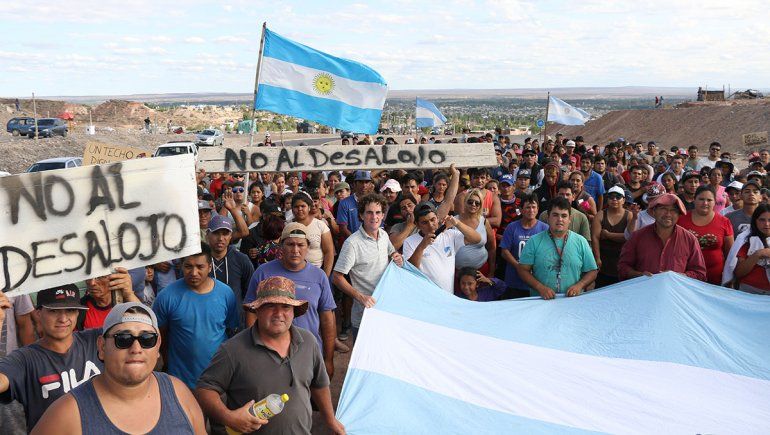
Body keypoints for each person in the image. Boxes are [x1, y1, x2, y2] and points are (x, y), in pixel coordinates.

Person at [195, 277, 345, 435]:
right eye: (270, 306)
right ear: (257, 310)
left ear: (294, 311)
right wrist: (229, 417)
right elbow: (204, 390)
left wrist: (330, 420)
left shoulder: (308, 342)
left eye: (286, 306)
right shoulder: (232, 350)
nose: (278, 313)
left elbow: (319, 385)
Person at [31, 303, 206, 434]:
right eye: (123, 338)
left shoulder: (178, 392)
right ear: (101, 346)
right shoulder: (68, 413)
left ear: (158, 346)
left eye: (147, 339)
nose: (136, 348)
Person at [0, 285, 103, 430]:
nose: (63, 318)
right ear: (38, 313)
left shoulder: (96, 341)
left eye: (70, 310)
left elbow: (141, 333)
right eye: (54, 311)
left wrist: (129, 294)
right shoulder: (24, 360)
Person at [243, 223, 337, 379]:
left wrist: (328, 359)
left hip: (309, 354)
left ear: (308, 247)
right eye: (290, 244)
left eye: (301, 245)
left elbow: (327, 319)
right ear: (281, 246)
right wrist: (255, 348)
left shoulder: (319, 276)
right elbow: (251, 312)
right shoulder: (263, 272)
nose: (295, 250)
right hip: (270, 353)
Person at [152, 244, 240, 389]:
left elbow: (231, 332)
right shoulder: (166, 296)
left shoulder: (226, 293)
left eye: (200, 267)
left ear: (210, 267)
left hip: (218, 380)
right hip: (180, 382)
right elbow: (160, 335)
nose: (194, 272)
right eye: (188, 266)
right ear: (181, 266)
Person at [333, 194, 404, 339]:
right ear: (361, 215)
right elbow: (337, 277)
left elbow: (392, 254)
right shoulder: (352, 243)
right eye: (369, 212)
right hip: (364, 317)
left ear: (383, 215)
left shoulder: (384, 235)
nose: (374, 217)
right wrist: (360, 297)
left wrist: (397, 258)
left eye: (378, 212)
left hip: (386, 311)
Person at [518, 197, 598, 299]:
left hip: (572, 301)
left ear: (569, 219)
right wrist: (540, 288)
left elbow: (592, 271)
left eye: (564, 216)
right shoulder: (534, 241)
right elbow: (522, 270)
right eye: (555, 215)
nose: (560, 219)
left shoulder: (581, 241)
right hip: (541, 301)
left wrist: (580, 286)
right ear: (548, 218)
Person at [618, 194, 707, 281]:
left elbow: (700, 273)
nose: (668, 214)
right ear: (653, 212)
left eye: (673, 210)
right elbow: (623, 267)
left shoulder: (690, 239)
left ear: (679, 215)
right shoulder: (637, 237)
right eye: (663, 209)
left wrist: (677, 276)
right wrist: (640, 275)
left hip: (676, 294)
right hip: (643, 292)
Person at [403, 202, 482, 293]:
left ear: (437, 218)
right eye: (424, 222)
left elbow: (477, 239)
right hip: (425, 294)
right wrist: (421, 247)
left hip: (447, 294)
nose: (430, 224)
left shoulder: (449, 235)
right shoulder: (409, 241)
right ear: (417, 224)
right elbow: (409, 269)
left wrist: (457, 223)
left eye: (433, 219)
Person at [677, 185, 734, 285]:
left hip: (715, 278)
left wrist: (729, 278)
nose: (705, 203)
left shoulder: (724, 222)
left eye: (709, 200)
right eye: (701, 199)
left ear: (715, 202)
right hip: (686, 276)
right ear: (694, 200)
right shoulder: (681, 219)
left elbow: (730, 253)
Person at [206, 214, 255, 326]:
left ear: (231, 236)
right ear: (208, 234)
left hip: (235, 324)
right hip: (207, 322)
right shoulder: (200, 260)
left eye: (225, 234)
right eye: (216, 233)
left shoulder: (241, 259)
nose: (220, 238)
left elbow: (250, 293)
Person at [500, 193, 548, 298]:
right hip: (514, 281)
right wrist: (518, 266)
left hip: (537, 280)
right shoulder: (512, 227)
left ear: (538, 209)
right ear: (521, 210)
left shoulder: (545, 229)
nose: (531, 210)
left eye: (533, 207)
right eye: (527, 207)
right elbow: (504, 251)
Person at [592, 186, 632, 287]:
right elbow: (595, 237)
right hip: (604, 260)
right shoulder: (600, 215)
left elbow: (629, 237)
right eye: (611, 197)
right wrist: (597, 258)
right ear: (607, 199)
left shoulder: (629, 215)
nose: (614, 199)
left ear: (623, 200)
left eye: (618, 197)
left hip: (622, 260)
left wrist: (607, 235)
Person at [726, 204, 770, 294]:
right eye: (762, 220)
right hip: (748, 291)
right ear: (755, 221)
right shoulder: (746, 240)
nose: (766, 224)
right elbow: (739, 273)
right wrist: (758, 254)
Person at [455, 188, 496, 276]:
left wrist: (492, 271)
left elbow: (492, 248)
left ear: (480, 205)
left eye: (477, 203)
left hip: (480, 271)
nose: (473, 205)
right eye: (470, 202)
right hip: (457, 272)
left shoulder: (484, 222)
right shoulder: (454, 221)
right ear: (465, 202)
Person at [291, 193, 334, 276]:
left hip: (317, 272)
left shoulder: (320, 225)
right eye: (296, 207)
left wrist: (325, 276)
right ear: (292, 209)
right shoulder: (288, 227)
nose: (300, 209)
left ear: (309, 208)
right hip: (294, 273)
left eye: (303, 206)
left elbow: (329, 252)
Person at [337, 170, 375, 239]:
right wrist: (356, 242)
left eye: (367, 182)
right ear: (354, 184)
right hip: (352, 244)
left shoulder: (375, 202)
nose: (364, 185)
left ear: (370, 184)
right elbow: (343, 228)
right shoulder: (344, 203)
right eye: (360, 182)